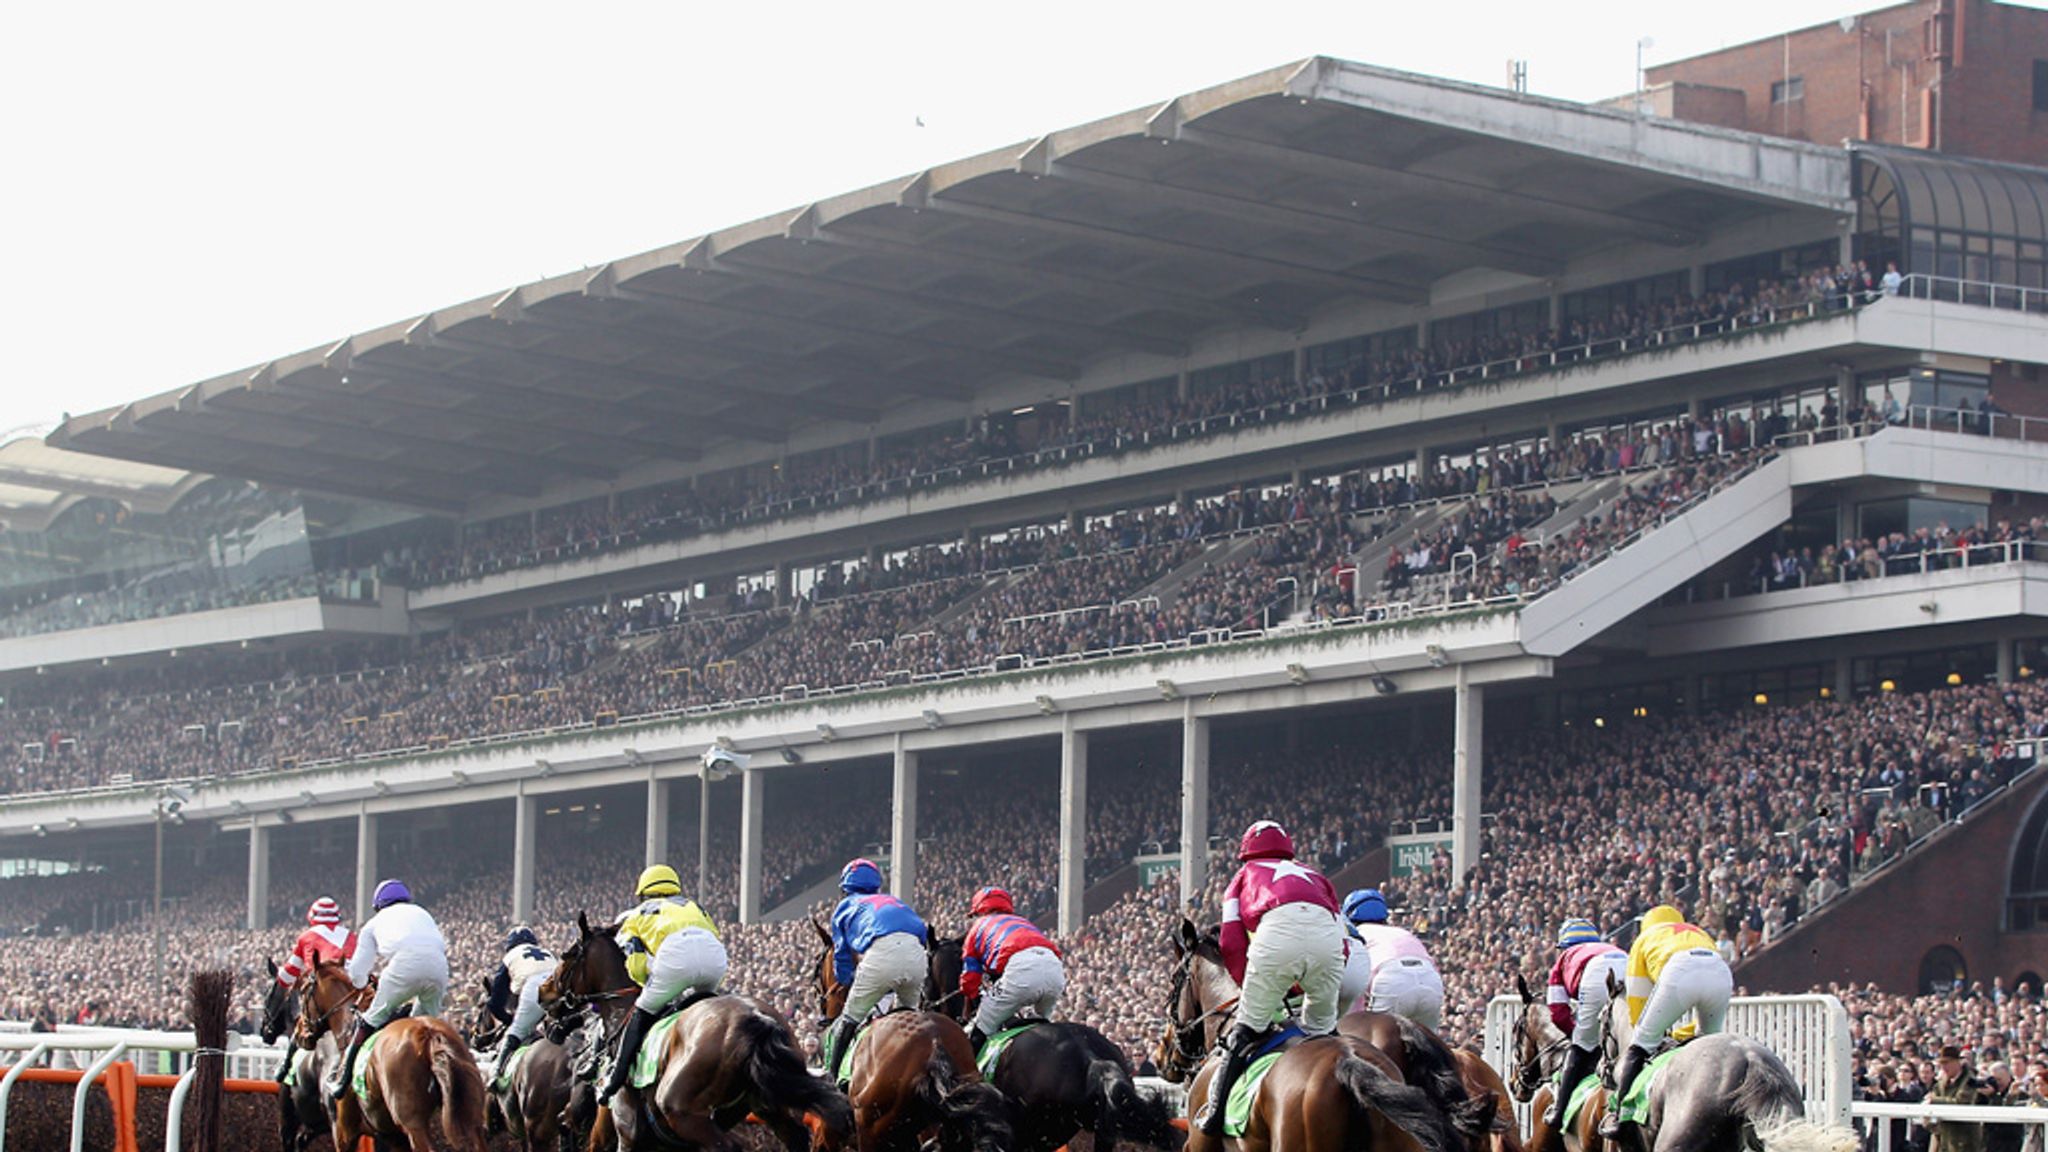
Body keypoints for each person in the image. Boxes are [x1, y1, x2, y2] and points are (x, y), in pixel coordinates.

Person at [1193, 820, 1345, 1138]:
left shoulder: (1241, 878)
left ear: (1247, 851)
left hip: (1277, 942)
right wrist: (1316, 976)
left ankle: (1214, 1113)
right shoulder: (1315, 875)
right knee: (1325, 1035)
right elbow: (1339, 935)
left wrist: (1253, 984)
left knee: (1243, 1032)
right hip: (1329, 946)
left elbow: (1232, 943)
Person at [1599, 904, 1733, 1140]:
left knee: (1639, 1044)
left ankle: (1620, 1116)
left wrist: (1654, 1033)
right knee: (1710, 1045)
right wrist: (1685, 1032)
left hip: (1680, 970)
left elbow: (1637, 1005)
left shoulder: (1644, 939)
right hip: (1720, 971)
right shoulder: (1697, 931)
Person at [598, 864, 725, 1106]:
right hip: (715, 956)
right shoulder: (694, 906)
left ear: (644, 892)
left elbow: (634, 962)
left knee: (642, 1010)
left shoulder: (636, 914)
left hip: (676, 956)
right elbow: (715, 939)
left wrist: (647, 984)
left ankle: (615, 1079)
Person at [335, 880, 449, 1104]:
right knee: (426, 1027)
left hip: (404, 966)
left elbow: (357, 973)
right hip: (439, 968)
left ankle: (342, 1077)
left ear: (378, 905)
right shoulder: (422, 913)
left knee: (368, 1020)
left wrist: (361, 984)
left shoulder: (373, 923)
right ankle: (436, 1080)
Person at [821, 858, 928, 1075]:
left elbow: (841, 953)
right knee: (910, 1020)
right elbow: (922, 935)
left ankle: (830, 1082)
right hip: (917, 956)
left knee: (849, 1019)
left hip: (881, 957)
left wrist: (845, 981)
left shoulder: (845, 906)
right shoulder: (895, 902)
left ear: (845, 888)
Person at [1542, 917, 1628, 1131]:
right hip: (1629, 965)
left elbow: (1559, 1014)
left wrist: (1579, 1035)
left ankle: (1559, 1110)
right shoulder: (1609, 947)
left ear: (1564, 947)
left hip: (1596, 974)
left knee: (1581, 1045)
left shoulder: (1564, 960)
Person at [958, 885, 1065, 1052]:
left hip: (1021, 972)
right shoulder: (1023, 922)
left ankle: (968, 1076)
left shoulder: (978, 927)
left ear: (979, 911)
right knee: (1043, 1028)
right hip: (1055, 971)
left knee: (982, 1026)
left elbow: (970, 976)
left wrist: (971, 996)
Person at [274, 897, 355, 1084]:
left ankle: (286, 1066)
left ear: (312, 917)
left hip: (322, 994)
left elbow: (287, 976)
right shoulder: (351, 936)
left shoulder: (307, 936)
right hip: (354, 990)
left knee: (304, 1021)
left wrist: (279, 975)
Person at [1343, 887, 1445, 1030]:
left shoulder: (1355, 936)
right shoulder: (1402, 932)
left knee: (1370, 1048)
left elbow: (1353, 986)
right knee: (1431, 1049)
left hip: (1391, 980)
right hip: (1431, 981)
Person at [484, 926, 555, 1068]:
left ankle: (496, 1072)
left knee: (516, 1031)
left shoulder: (510, 956)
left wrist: (508, 1019)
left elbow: (495, 1000)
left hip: (535, 988)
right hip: (558, 987)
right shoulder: (548, 953)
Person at [1930, 1045, 1986, 1152]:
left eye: (1947, 1063)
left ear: (1957, 1062)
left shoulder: (1970, 1081)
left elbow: (1961, 1103)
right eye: (1941, 1064)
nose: (1944, 1067)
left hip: (1964, 1141)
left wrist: (1934, 1101)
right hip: (1943, 1140)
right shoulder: (1940, 1083)